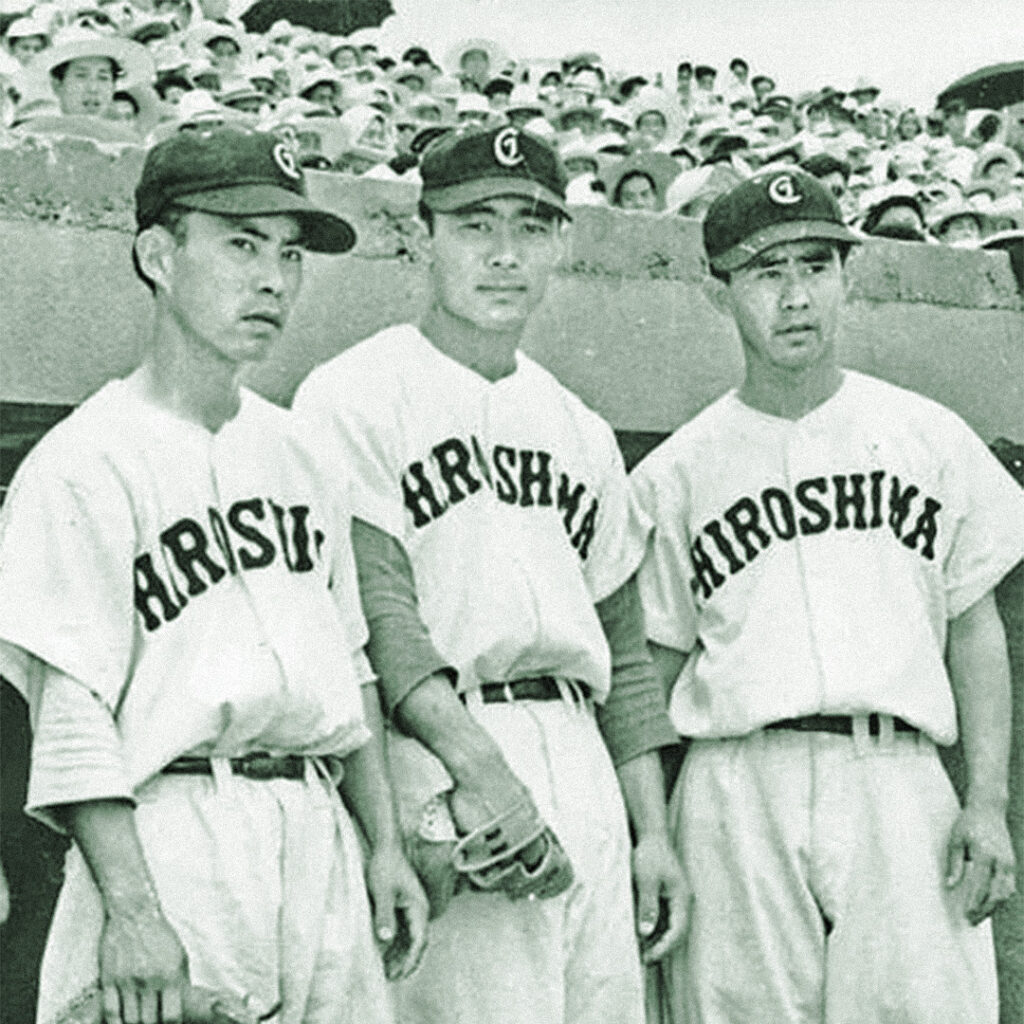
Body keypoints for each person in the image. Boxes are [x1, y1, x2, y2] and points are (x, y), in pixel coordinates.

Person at [0, 126, 428, 1024]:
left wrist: (384, 844)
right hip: (176, 828)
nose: (273, 278)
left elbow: (350, 670)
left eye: (288, 253)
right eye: (240, 243)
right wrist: (134, 911)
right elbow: (71, 716)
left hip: (316, 828)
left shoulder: (303, 453)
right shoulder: (81, 462)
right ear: (158, 254)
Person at [292, 125, 687, 1024]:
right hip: (444, 754)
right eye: (475, 224)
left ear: (560, 243)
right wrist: (484, 775)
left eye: (531, 225)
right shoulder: (354, 393)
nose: (504, 254)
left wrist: (652, 831)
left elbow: (623, 655)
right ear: (421, 234)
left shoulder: (578, 425)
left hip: (581, 755)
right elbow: (380, 620)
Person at [632, 166, 1023, 1024]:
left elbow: (974, 628)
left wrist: (986, 801)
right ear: (717, 293)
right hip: (737, 785)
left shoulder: (928, 436)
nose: (796, 295)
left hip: (900, 777)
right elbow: (652, 674)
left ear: (848, 276)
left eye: (815, 265)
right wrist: (651, 833)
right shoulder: (676, 473)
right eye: (766, 273)